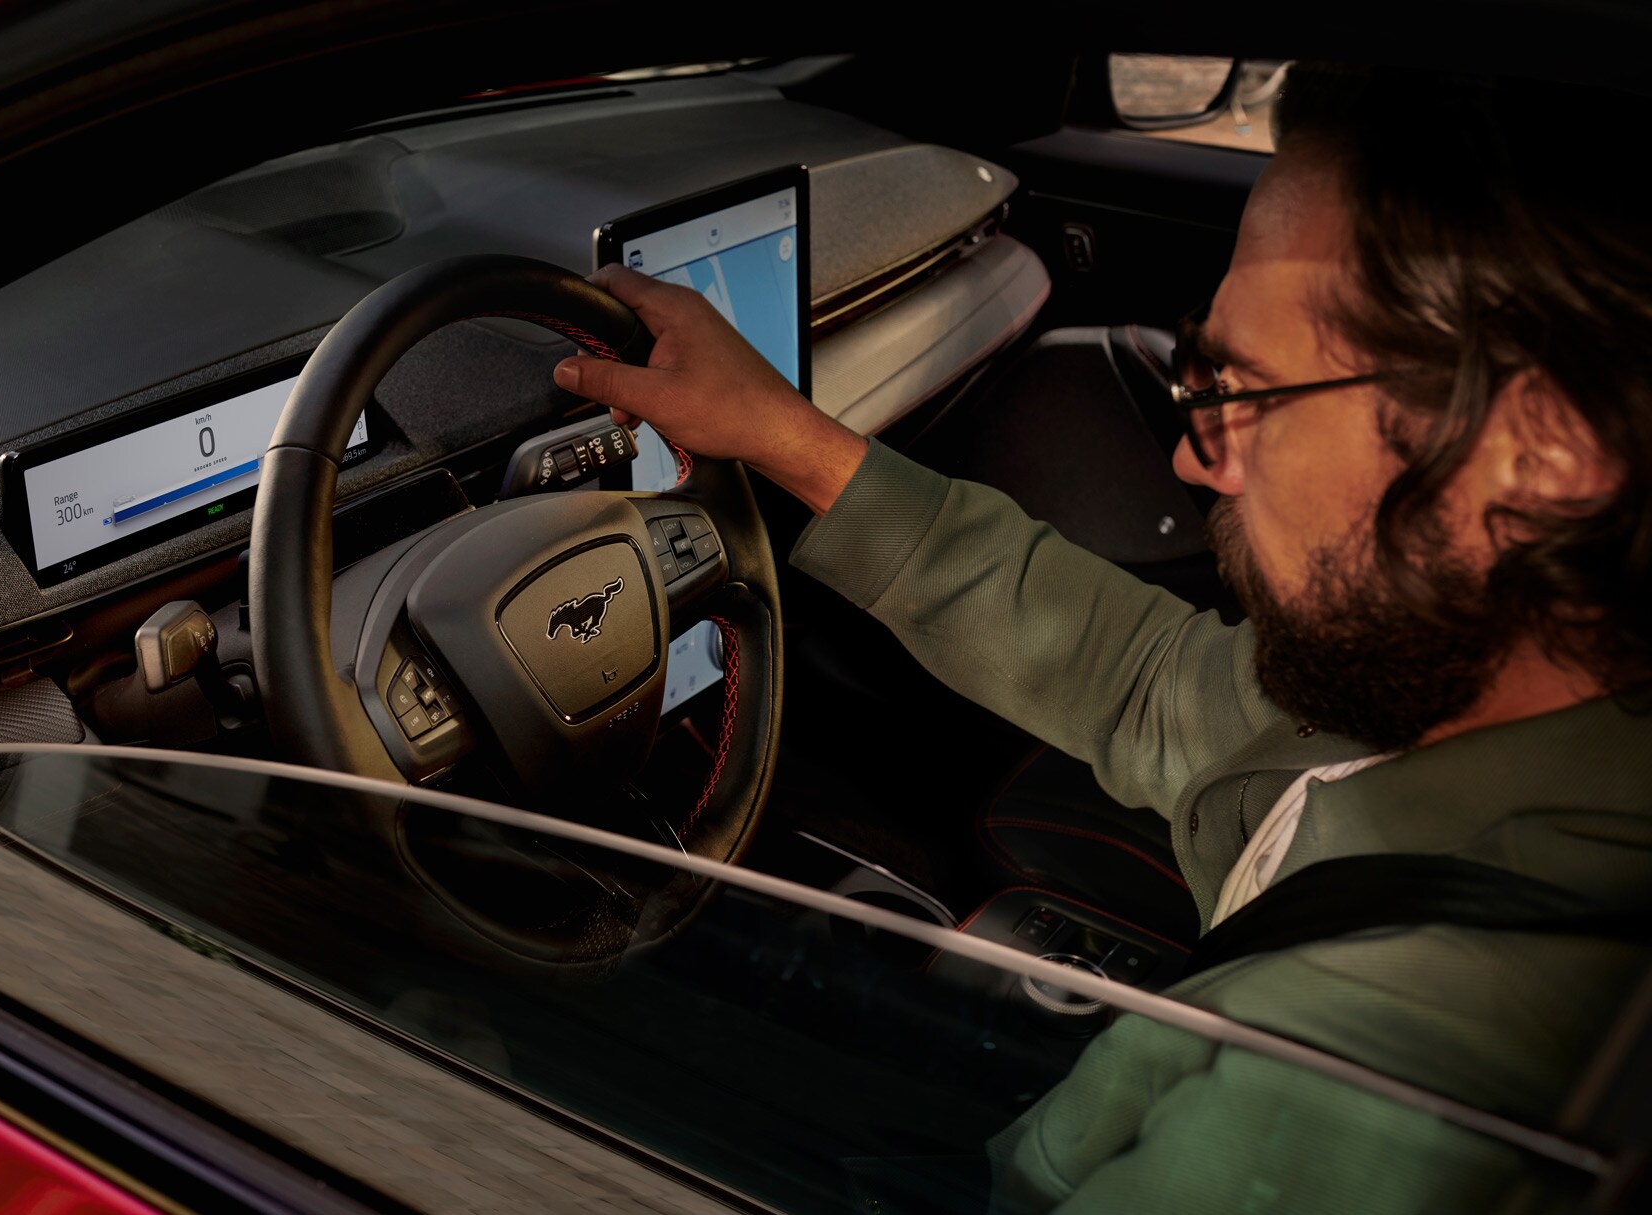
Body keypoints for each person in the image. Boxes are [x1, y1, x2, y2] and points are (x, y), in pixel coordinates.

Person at [551, 63, 1652, 1211]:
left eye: (1241, 386)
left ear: (1544, 455)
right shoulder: (1454, 692)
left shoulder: (1379, 1078)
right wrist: (782, 433)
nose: (1191, 456)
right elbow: (1145, 680)